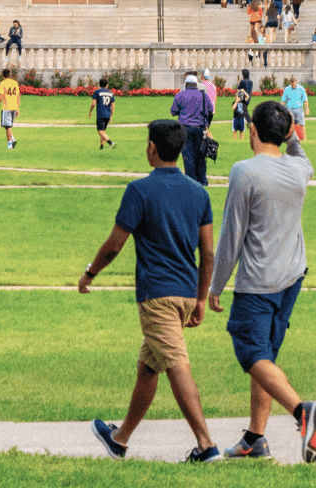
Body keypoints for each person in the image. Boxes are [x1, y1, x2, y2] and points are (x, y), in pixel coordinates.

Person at [84, 119, 221, 464]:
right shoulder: (198, 192)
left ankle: (206, 446)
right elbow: (208, 253)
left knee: (175, 363)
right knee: (149, 365)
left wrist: (90, 274)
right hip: (186, 294)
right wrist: (201, 298)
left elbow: (115, 245)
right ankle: (120, 439)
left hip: (157, 295)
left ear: (153, 148)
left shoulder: (140, 191)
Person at [208, 100, 316, 463]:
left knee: (252, 352)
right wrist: (290, 133)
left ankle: (301, 412)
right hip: (291, 277)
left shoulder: (245, 171)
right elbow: (302, 157)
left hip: (258, 281)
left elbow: (232, 235)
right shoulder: (298, 168)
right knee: (267, 356)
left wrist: (215, 286)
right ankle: (255, 437)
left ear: (253, 131)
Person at [172, 73, 214, 185]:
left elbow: (173, 111)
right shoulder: (204, 95)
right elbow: (210, 110)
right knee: (201, 153)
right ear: (196, 84)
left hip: (185, 128)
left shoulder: (180, 95)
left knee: (188, 155)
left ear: (186, 84)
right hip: (200, 128)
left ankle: (191, 179)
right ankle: (202, 179)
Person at [0, 69, 22, 149]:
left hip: (6, 106)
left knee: (8, 126)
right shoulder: (15, 83)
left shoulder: (3, 83)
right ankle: (12, 138)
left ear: (3, 75)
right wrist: (17, 108)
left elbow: (1, 96)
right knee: (7, 125)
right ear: (9, 75)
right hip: (13, 106)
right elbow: (18, 96)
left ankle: (10, 144)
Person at [89, 77, 118, 151]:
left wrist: (90, 111)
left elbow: (93, 103)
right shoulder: (110, 93)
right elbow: (113, 106)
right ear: (107, 85)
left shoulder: (97, 92)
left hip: (100, 114)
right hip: (108, 114)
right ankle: (101, 147)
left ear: (99, 84)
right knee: (103, 131)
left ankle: (111, 143)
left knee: (100, 131)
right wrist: (111, 115)